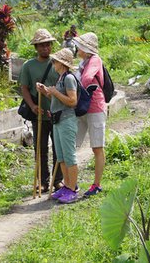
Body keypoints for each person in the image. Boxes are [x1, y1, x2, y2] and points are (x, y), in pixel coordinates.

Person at [18, 29, 63, 192]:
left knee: (58, 148)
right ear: (36, 48)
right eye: (41, 46)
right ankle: (43, 181)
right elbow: (24, 88)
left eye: (48, 45)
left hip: (57, 113)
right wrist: (32, 106)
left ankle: (57, 180)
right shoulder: (28, 66)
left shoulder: (57, 63)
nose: (45, 48)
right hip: (39, 115)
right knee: (40, 148)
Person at [36, 48, 79, 204]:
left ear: (62, 63)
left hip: (67, 120)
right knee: (61, 157)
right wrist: (47, 91)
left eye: (55, 61)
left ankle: (73, 189)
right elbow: (59, 97)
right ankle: (67, 186)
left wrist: (54, 93)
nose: (53, 63)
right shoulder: (60, 78)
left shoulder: (68, 78)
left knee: (69, 156)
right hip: (58, 120)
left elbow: (72, 101)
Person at [73, 32, 107, 197]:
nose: (77, 48)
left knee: (97, 148)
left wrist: (74, 88)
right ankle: (71, 181)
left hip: (95, 108)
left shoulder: (94, 60)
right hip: (82, 109)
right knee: (73, 145)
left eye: (79, 46)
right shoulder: (83, 62)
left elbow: (86, 79)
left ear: (85, 48)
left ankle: (96, 185)